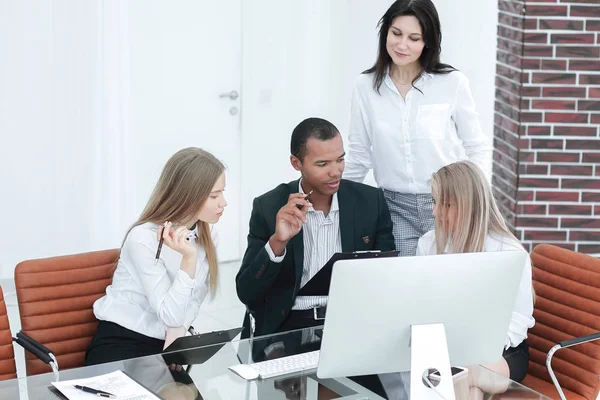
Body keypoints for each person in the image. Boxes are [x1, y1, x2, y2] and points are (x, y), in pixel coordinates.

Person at [236, 117, 395, 397]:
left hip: (348, 324)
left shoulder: (370, 202)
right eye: (322, 164)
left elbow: (388, 276)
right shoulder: (268, 206)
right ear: (296, 163)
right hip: (288, 326)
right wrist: (277, 242)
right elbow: (247, 291)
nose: (335, 172)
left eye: (340, 160)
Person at [343, 0, 492, 257]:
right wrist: (335, 202)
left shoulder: (452, 83)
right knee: (407, 281)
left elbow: (476, 146)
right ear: (385, 32)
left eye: (414, 38)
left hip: (449, 203)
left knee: (449, 282)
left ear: (428, 42)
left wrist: (471, 199)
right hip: (394, 206)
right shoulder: (364, 86)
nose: (402, 45)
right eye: (396, 33)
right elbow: (359, 154)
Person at [382, 160, 534, 400]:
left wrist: (473, 346)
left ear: (467, 206)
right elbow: (419, 305)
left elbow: (519, 320)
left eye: (444, 204)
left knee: (463, 374)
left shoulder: (509, 252)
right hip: (446, 351)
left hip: (502, 353)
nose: (434, 212)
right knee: (466, 385)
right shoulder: (429, 243)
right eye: (434, 202)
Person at [85, 147, 228, 366]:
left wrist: (177, 341)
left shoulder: (207, 236)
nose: (223, 203)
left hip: (167, 347)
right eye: (214, 196)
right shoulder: (142, 238)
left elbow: (188, 307)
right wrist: (188, 260)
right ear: (187, 196)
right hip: (123, 344)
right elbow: (171, 316)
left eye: (222, 193)